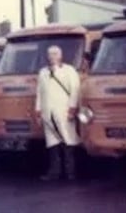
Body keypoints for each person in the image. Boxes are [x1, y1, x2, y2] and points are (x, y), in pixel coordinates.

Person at [34, 45, 80, 181]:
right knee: (53, 144)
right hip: (48, 113)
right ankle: (55, 172)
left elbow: (75, 90)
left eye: (55, 54)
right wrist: (38, 111)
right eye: (50, 54)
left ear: (60, 56)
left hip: (64, 112)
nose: (52, 56)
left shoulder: (69, 70)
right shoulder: (43, 72)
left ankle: (70, 172)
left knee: (68, 142)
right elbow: (39, 93)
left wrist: (72, 109)